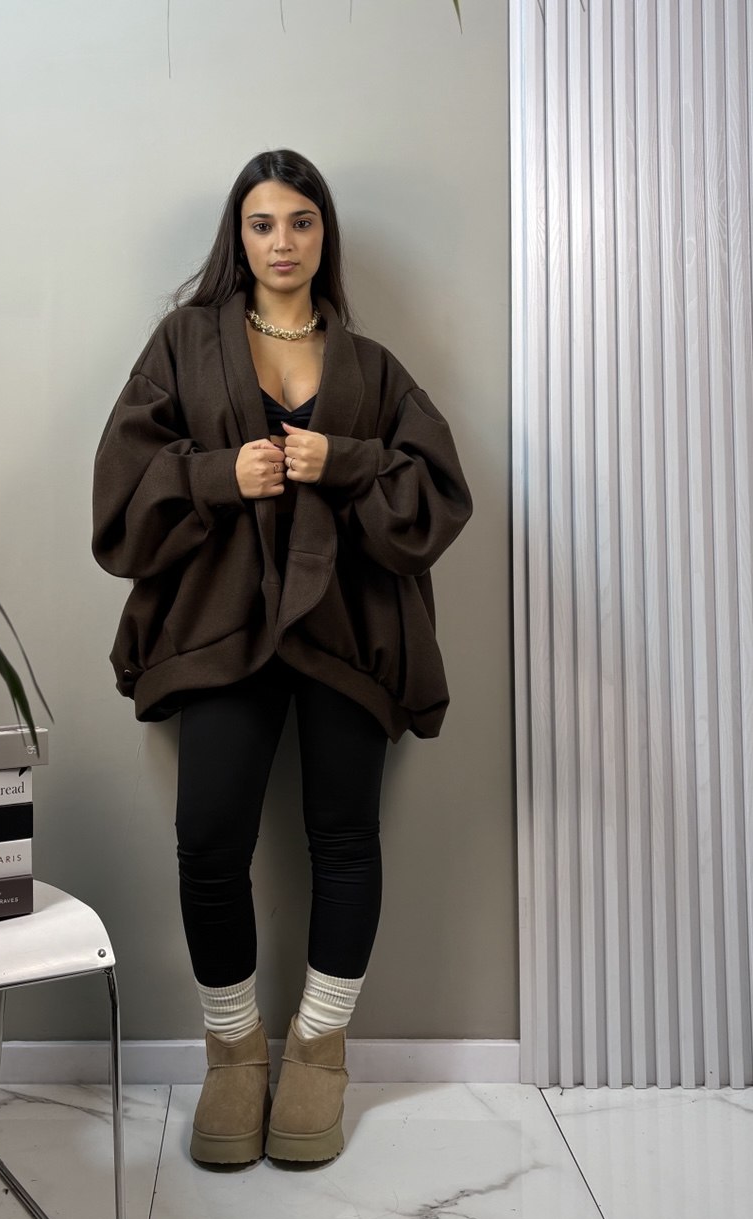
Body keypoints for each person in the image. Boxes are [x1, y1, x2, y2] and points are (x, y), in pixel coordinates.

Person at [92, 149, 472, 1166]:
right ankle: (232, 1054)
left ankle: (318, 1051)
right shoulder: (183, 342)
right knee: (209, 841)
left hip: (350, 630)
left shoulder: (374, 366)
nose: (283, 242)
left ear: (323, 234)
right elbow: (122, 487)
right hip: (224, 630)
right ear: (239, 235)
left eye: (302, 221)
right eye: (263, 223)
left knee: (344, 838)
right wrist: (222, 474)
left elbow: (437, 494)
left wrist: (343, 459)